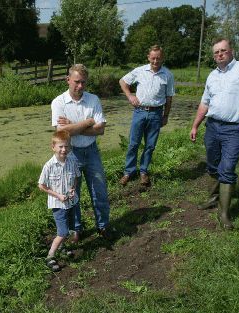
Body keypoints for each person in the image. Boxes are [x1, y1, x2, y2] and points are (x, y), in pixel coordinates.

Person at [190, 38, 239, 230]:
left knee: (227, 168)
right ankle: (214, 198)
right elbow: (205, 103)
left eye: (223, 50)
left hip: (235, 129)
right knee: (212, 166)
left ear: (231, 51)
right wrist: (195, 125)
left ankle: (224, 213)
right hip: (212, 127)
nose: (219, 54)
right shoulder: (212, 76)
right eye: (216, 52)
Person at [51, 64, 111, 240]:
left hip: (91, 151)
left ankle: (103, 226)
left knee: (99, 189)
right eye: (76, 82)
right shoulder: (58, 102)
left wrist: (73, 125)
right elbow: (62, 133)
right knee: (72, 193)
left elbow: (100, 130)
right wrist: (88, 122)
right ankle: (76, 228)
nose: (80, 86)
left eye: (83, 82)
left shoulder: (93, 100)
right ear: (68, 80)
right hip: (70, 153)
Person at [119, 45, 175, 187]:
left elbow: (169, 98)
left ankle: (143, 172)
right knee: (133, 144)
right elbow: (123, 81)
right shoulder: (139, 71)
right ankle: (129, 172)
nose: (155, 61)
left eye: (158, 58)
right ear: (148, 57)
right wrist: (130, 95)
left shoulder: (168, 75)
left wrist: (165, 115)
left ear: (162, 58)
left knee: (150, 146)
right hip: (140, 111)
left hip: (156, 113)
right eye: (153, 58)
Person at [38, 130, 81, 271]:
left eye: (66, 147)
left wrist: (73, 188)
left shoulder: (72, 161)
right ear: (53, 147)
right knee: (62, 232)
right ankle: (50, 256)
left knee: (68, 228)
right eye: (60, 146)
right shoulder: (48, 166)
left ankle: (62, 247)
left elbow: (75, 177)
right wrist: (58, 195)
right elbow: (41, 186)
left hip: (71, 202)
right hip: (58, 204)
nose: (64, 150)